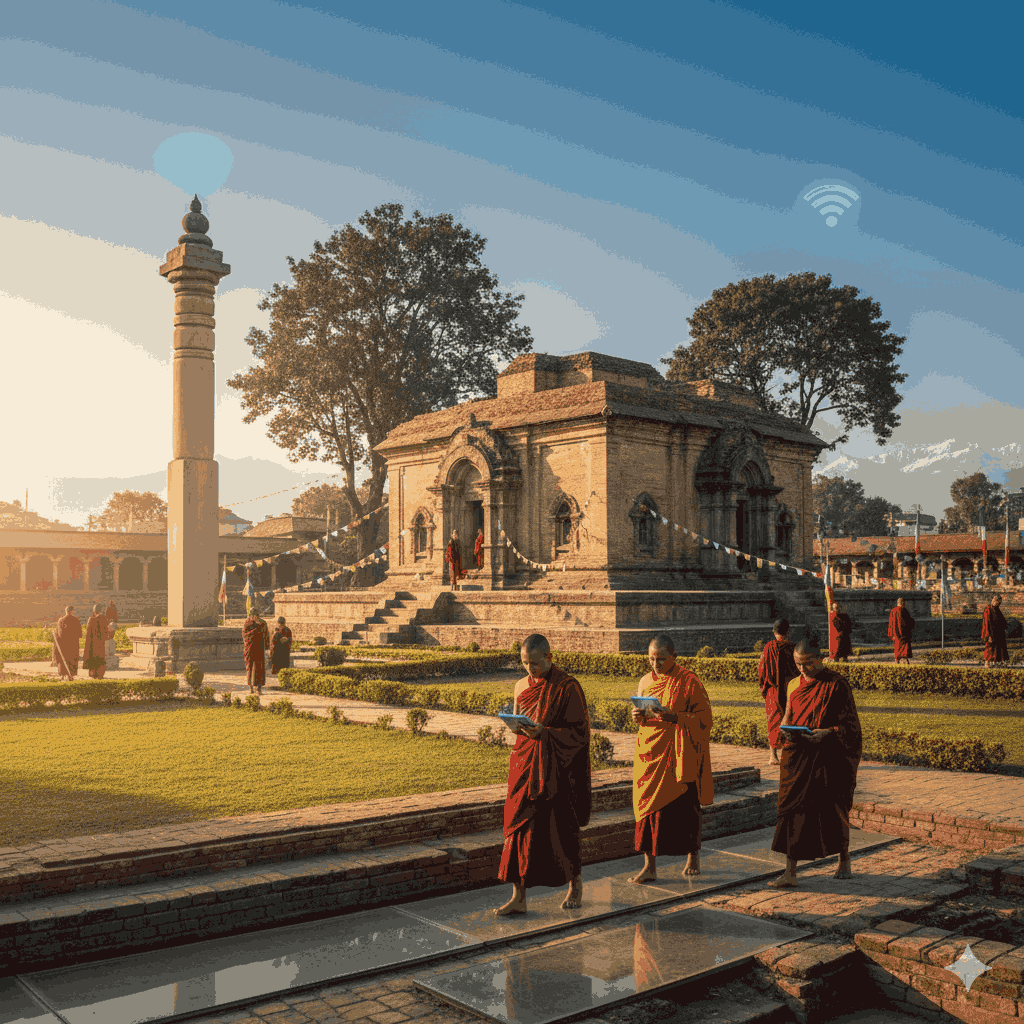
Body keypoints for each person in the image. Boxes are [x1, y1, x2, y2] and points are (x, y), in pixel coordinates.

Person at [494, 633, 591, 916]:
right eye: (525, 663)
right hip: (525, 763)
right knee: (517, 828)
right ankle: (518, 896)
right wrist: (515, 727)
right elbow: (518, 718)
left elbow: (580, 734)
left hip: (556, 769)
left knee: (562, 828)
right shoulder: (521, 686)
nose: (530, 669)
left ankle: (575, 884)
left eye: (534, 663)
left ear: (548, 657)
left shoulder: (567, 687)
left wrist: (546, 735)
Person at [769, 640, 862, 888]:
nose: (803, 669)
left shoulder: (836, 684)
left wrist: (828, 732)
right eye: (798, 664)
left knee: (834, 807)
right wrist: (785, 730)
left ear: (820, 659)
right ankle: (790, 872)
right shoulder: (792, 684)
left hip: (827, 754)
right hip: (798, 753)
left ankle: (844, 858)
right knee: (792, 811)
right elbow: (787, 715)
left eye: (807, 663)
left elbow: (851, 726)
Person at [629, 633, 713, 885]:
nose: (656, 664)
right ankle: (649, 866)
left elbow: (704, 720)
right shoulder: (645, 681)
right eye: (652, 659)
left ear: (674, 657)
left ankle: (692, 856)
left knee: (685, 809)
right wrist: (637, 716)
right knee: (646, 810)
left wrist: (674, 717)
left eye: (662, 659)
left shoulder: (689, 681)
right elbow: (643, 714)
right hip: (649, 751)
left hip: (679, 754)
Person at [757, 619, 797, 767]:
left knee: (773, 721)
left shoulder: (769, 647)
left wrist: (765, 687)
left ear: (774, 632)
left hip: (773, 690)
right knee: (791, 721)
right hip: (790, 690)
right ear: (788, 632)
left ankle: (772, 755)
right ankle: (789, 753)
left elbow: (762, 670)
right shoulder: (793, 648)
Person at [243, 609, 271, 694]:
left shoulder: (262, 623)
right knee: (250, 668)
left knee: (259, 669)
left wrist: (267, 646)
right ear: (251, 616)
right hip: (251, 649)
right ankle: (251, 687)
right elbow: (245, 635)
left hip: (259, 649)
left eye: (256, 616)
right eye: (253, 616)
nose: (255, 618)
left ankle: (258, 688)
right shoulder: (247, 623)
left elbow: (266, 635)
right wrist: (256, 628)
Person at [51, 605, 82, 681]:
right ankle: (70, 675)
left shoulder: (61, 620)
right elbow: (79, 634)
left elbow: (58, 634)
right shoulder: (76, 620)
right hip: (73, 645)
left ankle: (62, 675)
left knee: (63, 660)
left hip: (63, 645)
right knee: (71, 660)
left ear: (66, 611)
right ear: (72, 611)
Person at [82, 602, 112, 679]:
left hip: (92, 644)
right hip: (100, 644)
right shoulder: (103, 619)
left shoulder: (91, 619)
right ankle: (100, 674)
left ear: (94, 611)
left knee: (92, 657)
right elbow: (106, 632)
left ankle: (93, 673)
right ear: (101, 610)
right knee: (100, 658)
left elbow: (88, 633)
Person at [982, 594, 1009, 668]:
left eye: (998, 601)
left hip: (998, 633)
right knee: (989, 647)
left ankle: (994, 663)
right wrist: (988, 635)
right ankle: (986, 663)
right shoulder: (988, 609)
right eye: (995, 600)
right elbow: (986, 623)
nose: (996, 602)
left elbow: (1002, 621)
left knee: (997, 649)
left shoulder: (997, 609)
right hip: (991, 632)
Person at [887, 597, 915, 664]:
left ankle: (896, 660)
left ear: (897, 603)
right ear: (902, 603)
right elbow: (909, 621)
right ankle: (905, 660)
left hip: (895, 634)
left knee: (897, 647)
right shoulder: (904, 610)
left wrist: (892, 634)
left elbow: (890, 623)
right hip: (904, 634)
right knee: (904, 648)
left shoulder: (893, 611)